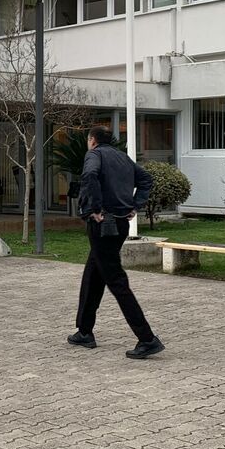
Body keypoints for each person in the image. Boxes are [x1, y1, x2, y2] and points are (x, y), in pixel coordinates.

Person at [69, 125, 164, 359]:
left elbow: (89, 176)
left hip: (103, 224)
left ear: (92, 140)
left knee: (116, 281)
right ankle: (84, 331)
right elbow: (146, 179)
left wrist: (94, 208)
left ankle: (147, 339)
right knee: (93, 274)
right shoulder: (122, 157)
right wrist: (135, 205)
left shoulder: (94, 155)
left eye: (88, 141)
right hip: (120, 223)